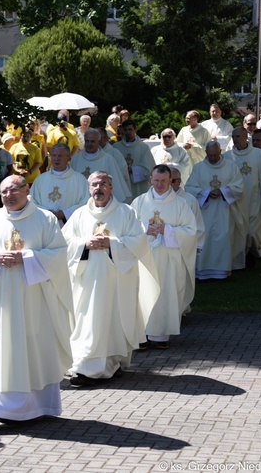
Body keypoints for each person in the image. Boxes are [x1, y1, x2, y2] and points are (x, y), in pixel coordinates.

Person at [0, 175, 74, 431]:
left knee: (29, 351)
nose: (8, 196)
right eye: (3, 192)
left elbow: (58, 255)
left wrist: (27, 258)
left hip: (33, 301)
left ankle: (31, 408)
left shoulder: (45, 219)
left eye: (13, 190)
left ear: (27, 189)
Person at [61, 171, 158, 386]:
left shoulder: (126, 213)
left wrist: (111, 244)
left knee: (113, 322)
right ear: (89, 189)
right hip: (86, 282)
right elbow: (64, 244)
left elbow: (139, 242)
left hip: (117, 281)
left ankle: (111, 364)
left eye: (103, 184)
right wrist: (84, 244)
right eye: (94, 185)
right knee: (89, 323)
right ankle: (87, 368)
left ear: (111, 187)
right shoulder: (79, 215)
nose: (98, 188)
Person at [131, 165, 197, 349]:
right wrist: (145, 229)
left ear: (171, 181)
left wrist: (167, 230)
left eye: (164, 181)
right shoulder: (139, 202)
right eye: (156, 180)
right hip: (144, 258)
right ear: (150, 179)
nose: (160, 184)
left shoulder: (180, 204)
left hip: (169, 260)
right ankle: (141, 335)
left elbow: (191, 232)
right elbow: (128, 228)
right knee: (141, 294)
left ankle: (160, 336)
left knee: (165, 294)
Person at [185, 141, 245, 280]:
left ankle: (222, 270)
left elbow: (239, 186)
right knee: (205, 238)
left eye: (215, 155)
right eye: (210, 155)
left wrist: (223, 191)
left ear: (220, 152)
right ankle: (203, 271)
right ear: (206, 152)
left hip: (224, 212)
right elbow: (190, 187)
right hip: (204, 213)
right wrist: (205, 193)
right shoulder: (199, 168)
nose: (212, 158)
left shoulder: (231, 166)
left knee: (224, 237)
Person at [223, 127, 261, 264]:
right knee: (238, 231)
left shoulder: (259, 155)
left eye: (238, 136)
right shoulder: (227, 156)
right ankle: (242, 256)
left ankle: (253, 251)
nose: (235, 139)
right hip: (235, 202)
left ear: (246, 137)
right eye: (233, 137)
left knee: (252, 232)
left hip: (254, 200)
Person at [169, 165, 205, 315]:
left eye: (174, 181)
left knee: (180, 280)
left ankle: (180, 309)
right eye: (167, 180)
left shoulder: (189, 200)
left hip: (183, 248)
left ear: (180, 181)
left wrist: (196, 245)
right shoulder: (152, 200)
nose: (170, 184)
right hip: (160, 249)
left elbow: (198, 225)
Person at [30, 143, 89, 226]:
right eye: (54, 155)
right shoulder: (40, 179)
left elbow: (85, 202)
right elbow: (31, 200)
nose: (56, 159)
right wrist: (47, 212)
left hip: (69, 225)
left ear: (68, 158)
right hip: (45, 224)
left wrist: (65, 213)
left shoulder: (80, 179)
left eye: (60, 156)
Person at [69, 129, 132, 203]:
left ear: (98, 142)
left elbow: (116, 186)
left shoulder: (108, 159)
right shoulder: (76, 159)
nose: (89, 144)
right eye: (87, 141)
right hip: (79, 202)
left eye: (92, 141)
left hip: (101, 202)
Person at [114, 120, 154, 199]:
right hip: (122, 183)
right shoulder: (116, 147)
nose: (128, 132)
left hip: (139, 187)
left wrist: (132, 170)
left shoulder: (144, 147)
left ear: (135, 130)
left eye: (130, 129)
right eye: (125, 130)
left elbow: (148, 169)